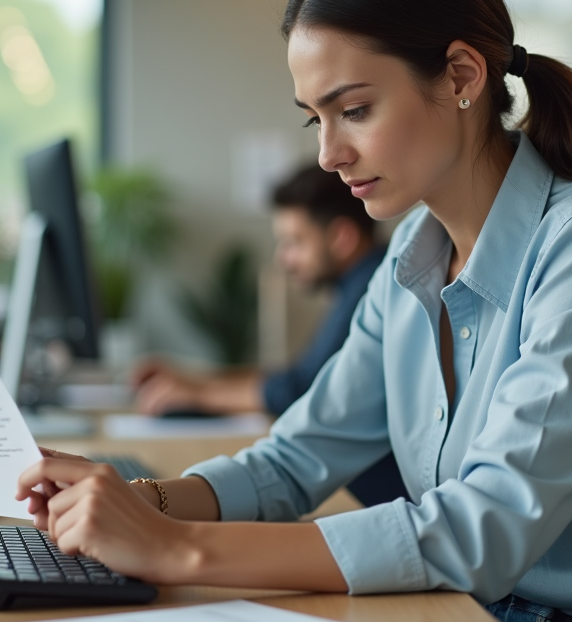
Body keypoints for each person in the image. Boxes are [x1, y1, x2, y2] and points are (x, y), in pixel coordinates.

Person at [18, 0, 572, 622]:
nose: (327, 153)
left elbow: (483, 531)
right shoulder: (415, 252)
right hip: (463, 614)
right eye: (314, 118)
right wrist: (138, 501)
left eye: (354, 110)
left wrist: (175, 549)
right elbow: (294, 462)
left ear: (462, 77)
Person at [130, 162, 407, 506]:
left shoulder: (371, 288)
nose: (283, 259)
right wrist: (197, 383)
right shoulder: (359, 284)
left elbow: (300, 389)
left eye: (294, 242)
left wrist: (199, 394)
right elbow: (302, 375)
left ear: (342, 238)